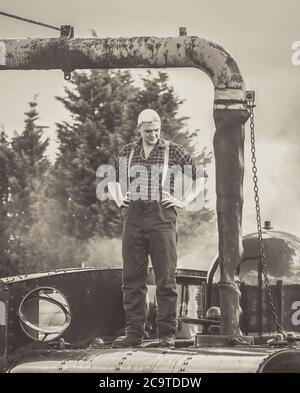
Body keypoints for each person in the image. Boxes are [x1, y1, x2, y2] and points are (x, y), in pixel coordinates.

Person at [108, 109, 206, 348]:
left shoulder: (174, 150)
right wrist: (119, 198)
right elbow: (112, 178)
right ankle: (134, 333)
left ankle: (166, 334)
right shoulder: (127, 152)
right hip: (133, 220)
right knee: (132, 278)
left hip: (162, 219)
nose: (153, 135)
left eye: (156, 131)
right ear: (139, 129)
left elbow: (201, 176)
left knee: (165, 278)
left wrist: (183, 201)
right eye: (148, 131)